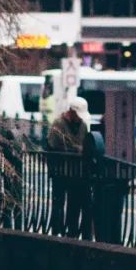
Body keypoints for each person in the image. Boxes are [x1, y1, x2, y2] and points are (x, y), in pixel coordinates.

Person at [46, 97, 90, 236]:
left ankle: (72, 232)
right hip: (59, 170)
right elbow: (54, 144)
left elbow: (85, 143)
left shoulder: (83, 124)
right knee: (58, 202)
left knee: (74, 203)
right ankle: (56, 231)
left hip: (76, 172)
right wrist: (77, 149)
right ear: (71, 112)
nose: (79, 118)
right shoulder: (58, 123)